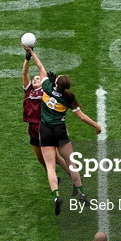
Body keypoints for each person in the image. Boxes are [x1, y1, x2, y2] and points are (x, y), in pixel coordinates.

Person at [24, 44, 101, 215]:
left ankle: (56, 196)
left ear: (56, 83)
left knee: (50, 166)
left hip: (45, 131)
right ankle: (81, 193)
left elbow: (40, 67)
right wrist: (96, 125)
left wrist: (31, 52)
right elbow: (81, 116)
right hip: (60, 132)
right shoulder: (68, 97)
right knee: (72, 164)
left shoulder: (46, 87)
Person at [21, 54, 84, 195]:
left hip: (45, 128)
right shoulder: (29, 90)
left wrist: (50, 81)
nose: (36, 78)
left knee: (55, 159)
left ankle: (73, 181)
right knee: (41, 159)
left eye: (38, 78)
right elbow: (24, 73)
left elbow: (53, 86)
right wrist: (27, 59)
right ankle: (61, 179)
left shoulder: (46, 90)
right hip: (32, 130)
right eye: (34, 78)